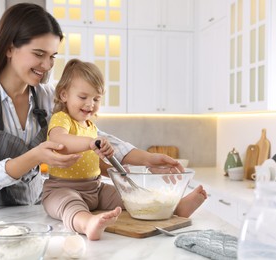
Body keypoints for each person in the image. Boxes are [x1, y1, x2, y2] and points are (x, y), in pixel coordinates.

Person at [0, 3, 206, 220]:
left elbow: (94, 136)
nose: (46, 66)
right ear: (9, 48)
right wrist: (36, 156)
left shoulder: (45, 94)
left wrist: (147, 160)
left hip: (28, 210)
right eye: (39, 54)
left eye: (52, 56)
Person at [42, 59, 207, 240]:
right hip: (62, 189)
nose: (90, 104)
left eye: (96, 99)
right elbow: (59, 140)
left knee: (131, 196)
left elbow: (92, 164)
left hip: (95, 188)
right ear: (64, 94)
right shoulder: (61, 119)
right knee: (70, 205)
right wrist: (90, 142)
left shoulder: (90, 126)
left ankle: (176, 208)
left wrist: (114, 173)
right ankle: (88, 223)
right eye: (83, 97)